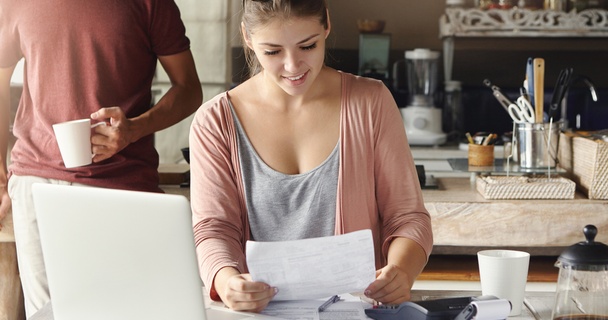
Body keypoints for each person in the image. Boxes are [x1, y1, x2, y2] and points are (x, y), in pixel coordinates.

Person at [189, 0, 432, 313]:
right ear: (247, 38)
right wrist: (225, 282)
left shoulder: (371, 103)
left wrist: (401, 271)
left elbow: (408, 218)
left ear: (326, 25)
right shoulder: (215, 121)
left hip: (355, 313)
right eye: (273, 51)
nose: (293, 66)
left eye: (308, 46)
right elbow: (213, 229)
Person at [0, 0, 203, 317]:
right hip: (35, 181)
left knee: (123, 313)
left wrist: (134, 129)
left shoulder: (152, 4)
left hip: (123, 186)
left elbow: (189, 88)